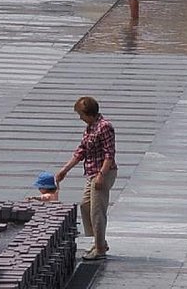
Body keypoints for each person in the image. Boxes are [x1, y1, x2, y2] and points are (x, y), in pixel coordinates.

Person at [54, 95, 117, 261]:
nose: (80, 118)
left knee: (97, 211)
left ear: (89, 113)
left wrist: (101, 176)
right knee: (85, 205)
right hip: (91, 173)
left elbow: (109, 154)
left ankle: (100, 248)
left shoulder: (104, 127)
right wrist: (65, 170)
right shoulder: (90, 127)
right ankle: (99, 241)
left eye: (81, 114)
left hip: (103, 173)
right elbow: (81, 151)